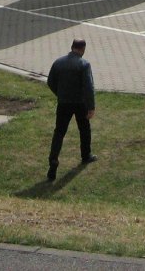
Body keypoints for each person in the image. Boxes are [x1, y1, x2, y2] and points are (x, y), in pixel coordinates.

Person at [46, 37, 96, 181]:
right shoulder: (84, 64)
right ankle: (86, 155)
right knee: (84, 129)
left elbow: (50, 82)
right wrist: (91, 107)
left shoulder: (58, 62)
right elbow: (89, 87)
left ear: (72, 47)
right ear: (83, 49)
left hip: (63, 103)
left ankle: (53, 159)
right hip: (80, 103)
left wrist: (60, 93)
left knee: (59, 132)